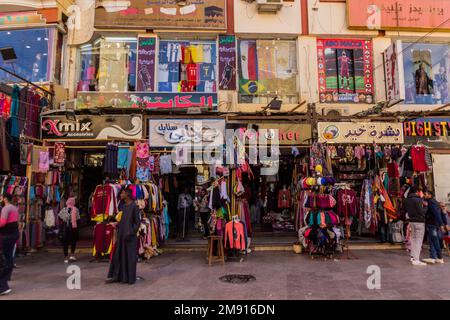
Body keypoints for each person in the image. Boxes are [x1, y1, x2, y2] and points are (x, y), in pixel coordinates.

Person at [106, 188, 141, 285]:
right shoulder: (124, 206)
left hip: (130, 237)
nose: (120, 194)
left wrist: (130, 232)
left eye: (122, 193)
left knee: (129, 258)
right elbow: (124, 220)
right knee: (119, 256)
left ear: (127, 194)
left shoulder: (134, 206)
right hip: (121, 235)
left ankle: (129, 279)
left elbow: (137, 223)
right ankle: (119, 277)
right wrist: (117, 224)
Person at [0, 193, 20, 295]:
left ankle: (2, 286)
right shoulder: (14, 208)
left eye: (1, 197)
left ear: (5, 199)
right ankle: (5, 281)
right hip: (14, 233)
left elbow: (2, 223)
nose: (0, 198)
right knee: (8, 257)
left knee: (2, 259)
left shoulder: (5, 208)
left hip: (6, 234)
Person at [404, 186, 428, 266]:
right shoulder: (418, 200)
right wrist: (426, 206)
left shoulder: (407, 200)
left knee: (413, 239)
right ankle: (416, 259)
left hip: (411, 221)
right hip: (419, 222)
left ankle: (413, 257)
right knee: (418, 240)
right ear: (417, 191)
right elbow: (421, 212)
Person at [422, 191, 445, 264]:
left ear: (429, 195)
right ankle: (432, 257)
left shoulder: (431, 202)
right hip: (433, 224)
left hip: (432, 224)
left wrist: (441, 224)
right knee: (432, 241)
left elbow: (436, 213)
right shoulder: (434, 201)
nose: (424, 195)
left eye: (425, 194)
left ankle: (440, 257)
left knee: (435, 241)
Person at [58, 197, 80, 263]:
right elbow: (78, 219)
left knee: (65, 243)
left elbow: (59, 217)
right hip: (73, 229)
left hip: (66, 228)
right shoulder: (76, 209)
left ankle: (66, 258)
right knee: (73, 242)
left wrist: (65, 220)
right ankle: (72, 256)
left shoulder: (64, 209)